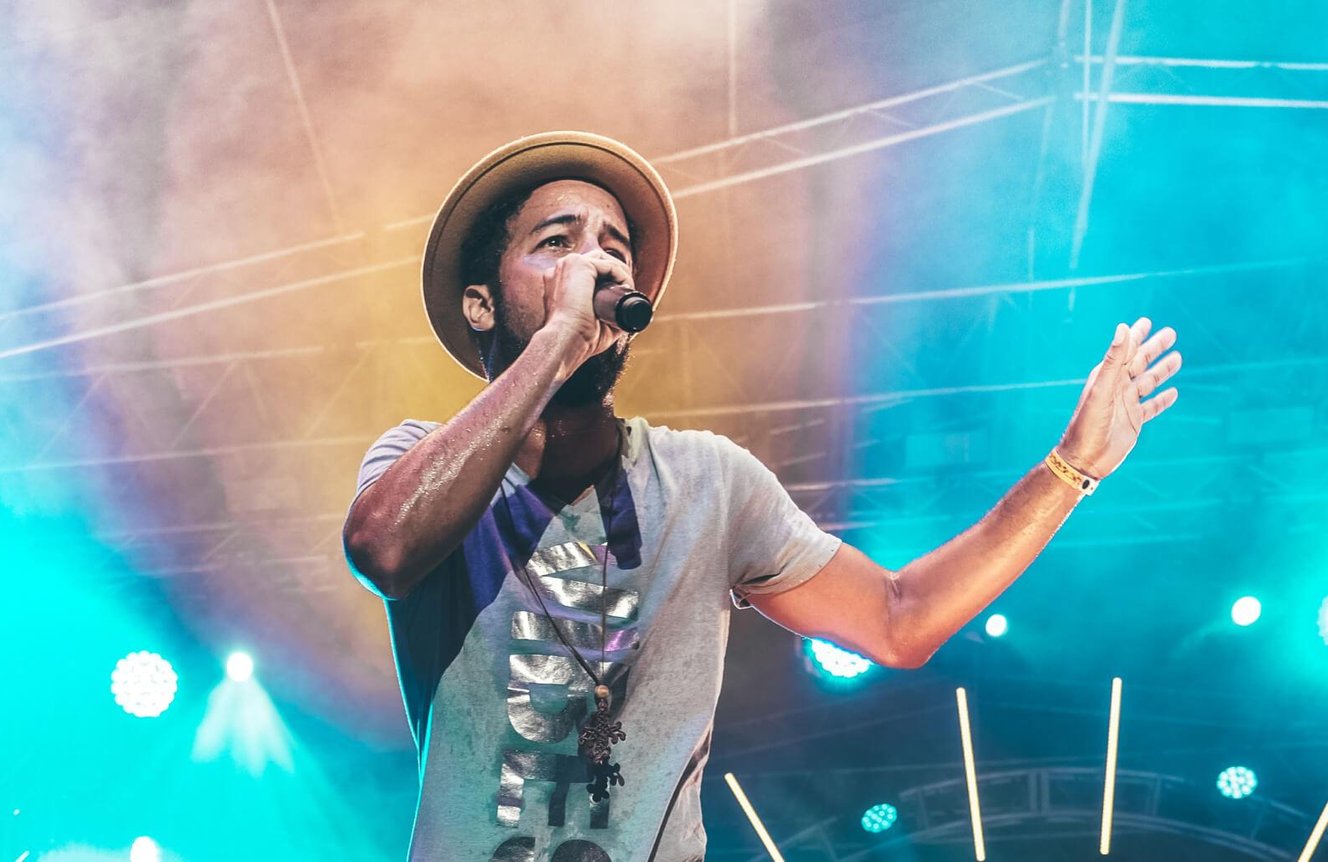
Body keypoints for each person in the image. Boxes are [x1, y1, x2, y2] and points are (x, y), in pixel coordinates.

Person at [341, 132, 1182, 862]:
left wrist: (1071, 467)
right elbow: (385, 550)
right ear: (481, 303)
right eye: (558, 242)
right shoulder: (417, 459)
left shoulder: (706, 480)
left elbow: (899, 621)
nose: (596, 263)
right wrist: (560, 335)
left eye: (613, 247)